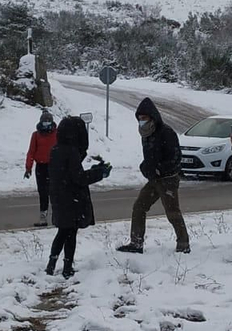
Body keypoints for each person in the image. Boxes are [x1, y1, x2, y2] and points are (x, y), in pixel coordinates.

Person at [117, 97, 191, 255]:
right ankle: (136, 243)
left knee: (172, 212)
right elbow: (150, 158)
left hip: (168, 179)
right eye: (139, 119)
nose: (141, 121)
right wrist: (146, 168)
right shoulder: (146, 133)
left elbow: (175, 158)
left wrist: (159, 169)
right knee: (139, 207)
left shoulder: (167, 133)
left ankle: (183, 244)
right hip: (154, 180)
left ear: (152, 117)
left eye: (144, 118)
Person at [47, 116, 112, 277]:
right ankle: (67, 267)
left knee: (62, 232)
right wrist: (99, 173)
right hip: (71, 199)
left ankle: (51, 264)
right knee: (70, 235)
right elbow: (79, 178)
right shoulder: (71, 151)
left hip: (59, 197)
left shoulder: (56, 149)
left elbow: (68, 172)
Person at [25, 109, 59, 225]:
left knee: (54, 192)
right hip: (41, 167)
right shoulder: (36, 135)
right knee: (42, 192)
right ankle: (43, 216)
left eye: (48, 122)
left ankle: (56, 216)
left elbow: (62, 150)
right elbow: (31, 152)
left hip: (54, 167)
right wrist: (28, 167)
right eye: (44, 122)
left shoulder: (57, 134)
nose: (46, 124)